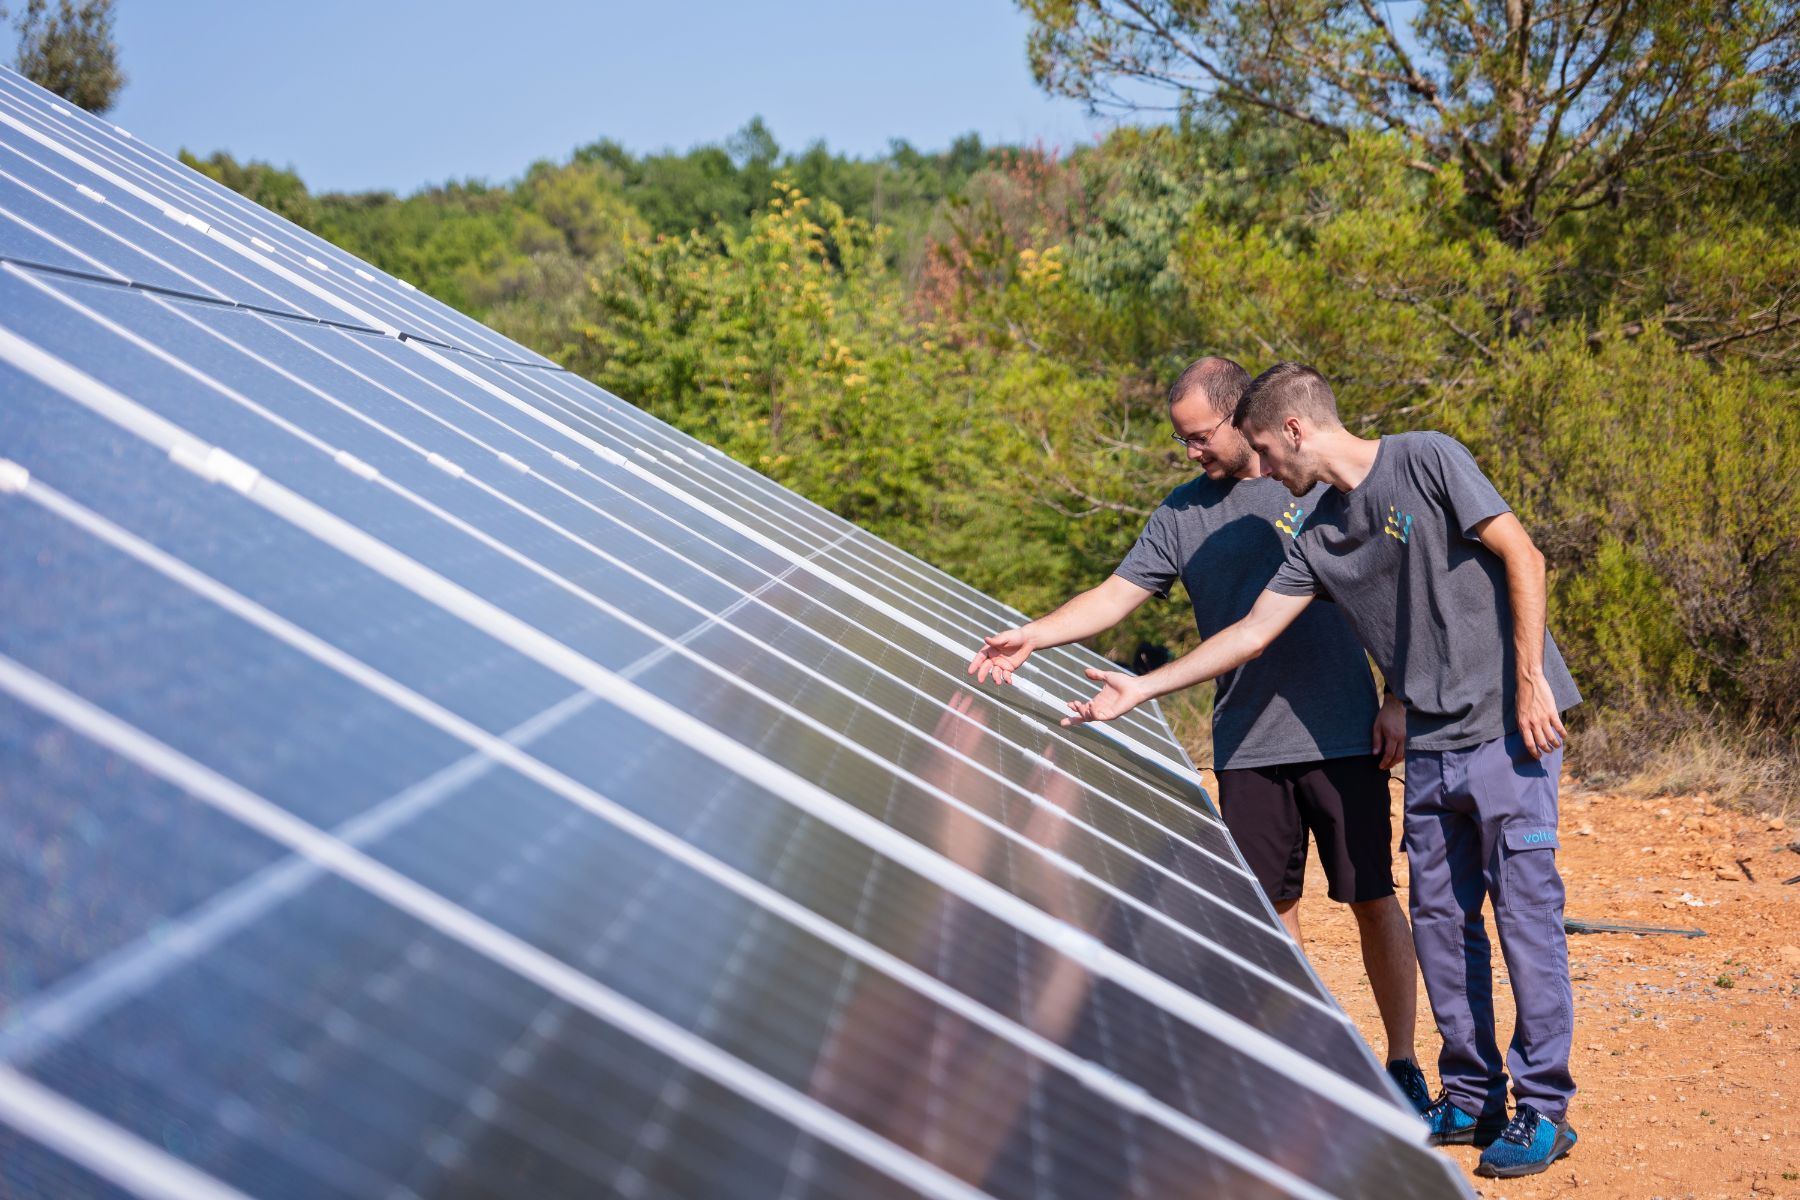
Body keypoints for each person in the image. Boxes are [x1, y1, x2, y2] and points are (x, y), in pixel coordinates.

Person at [1061, 362, 1582, 1180]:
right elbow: (1250, 634)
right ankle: (1471, 1094)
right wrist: (1142, 687)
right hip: (1434, 744)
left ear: (1294, 432)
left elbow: (1525, 555)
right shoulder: (1320, 535)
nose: (1262, 471)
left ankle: (1544, 1107)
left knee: (1523, 916)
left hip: (1509, 729)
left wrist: (1528, 680)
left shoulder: (1428, 456)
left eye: (1265, 451)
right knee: (1443, 928)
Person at [968, 356, 1428, 1111]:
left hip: (1345, 730)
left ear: (1242, 414)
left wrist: (1399, 695)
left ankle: (1404, 1062)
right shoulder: (1181, 515)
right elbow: (1115, 596)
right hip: (1247, 745)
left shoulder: (1313, 484)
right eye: (1182, 440)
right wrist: (1034, 636)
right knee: (1270, 917)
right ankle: (1309, 1069)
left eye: (1199, 436)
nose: (1190, 452)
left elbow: (1395, 585)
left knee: (1371, 897)